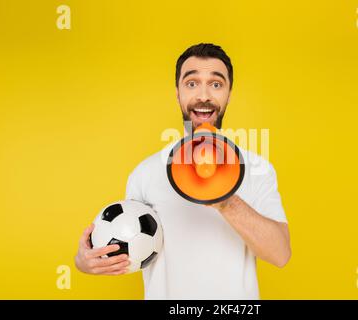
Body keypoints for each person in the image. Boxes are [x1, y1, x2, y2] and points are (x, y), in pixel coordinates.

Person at [75, 43, 291, 299]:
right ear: (177, 93)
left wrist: (225, 201)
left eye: (216, 84)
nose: (203, 96)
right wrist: (85, 261)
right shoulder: (144, 172)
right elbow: (128, 247)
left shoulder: (258, 169)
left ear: (229, 94)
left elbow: (280, 255)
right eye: (191, 83)